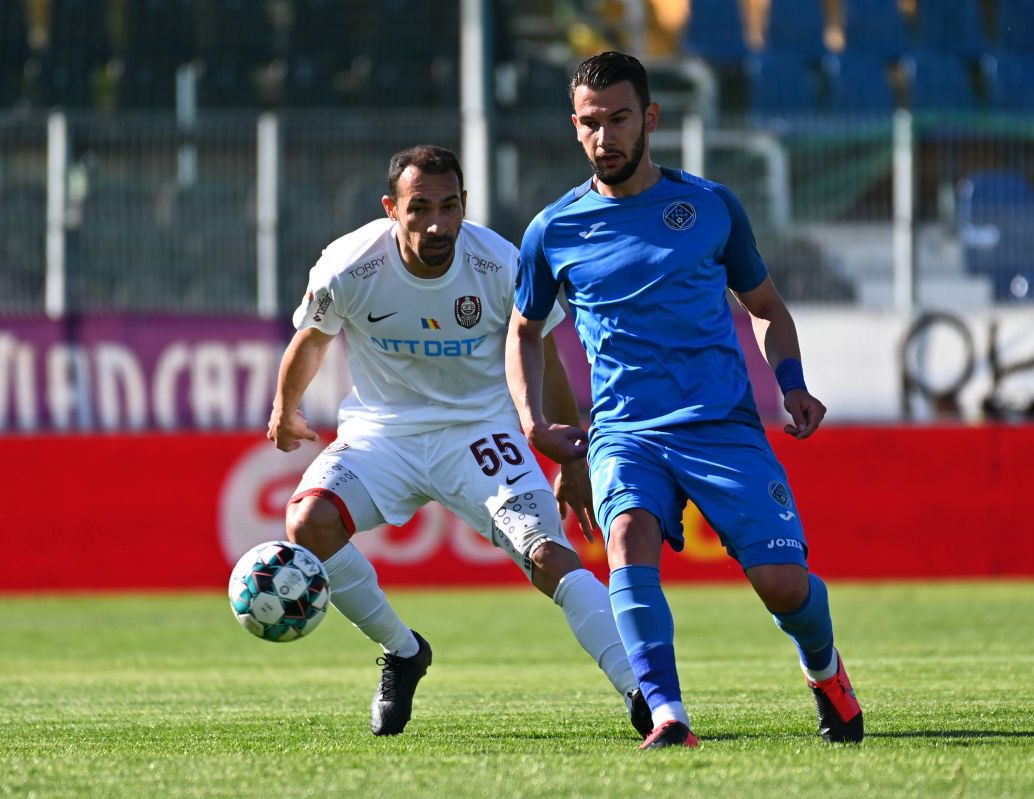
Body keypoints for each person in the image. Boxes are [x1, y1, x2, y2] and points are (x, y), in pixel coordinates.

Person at [506, 52, 864, 750]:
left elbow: (766, 307)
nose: (604, 137)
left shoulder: (708, 206)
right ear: (573, 127)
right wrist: (534, 421)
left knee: (783, 584)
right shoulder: (554, 229)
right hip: (624, 431)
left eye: (618, 119)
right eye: (589, 123)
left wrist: (792, 384)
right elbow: (524, 330)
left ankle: (826, 672)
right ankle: (668, 714)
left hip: (721, 425)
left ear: (651, 119)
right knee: (625, 539)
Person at [267, 144, 651, 739]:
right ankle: (402, 652)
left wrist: (569, 454)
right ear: (392, 208)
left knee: (550, 557)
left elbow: (546, 354)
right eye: (420, 207)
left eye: (450, 206)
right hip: (382, 435)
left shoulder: (501, 264)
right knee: (309, 523)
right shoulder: (349, 265)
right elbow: (313, 339)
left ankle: (641, 693)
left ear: (465, 204)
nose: (437, 223)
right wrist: (285, 408)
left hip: (481, 433)